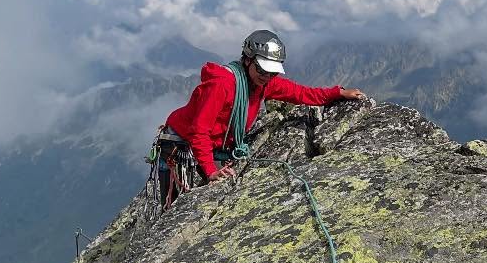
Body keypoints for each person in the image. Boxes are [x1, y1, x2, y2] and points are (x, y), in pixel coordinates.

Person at [151, 29, 366, 208]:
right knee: (173, 208)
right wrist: (210, 171)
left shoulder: (262, 84)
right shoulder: (222, 84)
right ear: (247, 60)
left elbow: (300, 93)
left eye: (272, 73)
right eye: (263, 70)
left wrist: (337, 93)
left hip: (212, 146)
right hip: (180, 145)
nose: (267, 76)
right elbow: (200, 129)